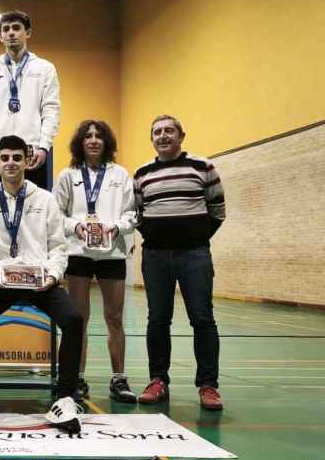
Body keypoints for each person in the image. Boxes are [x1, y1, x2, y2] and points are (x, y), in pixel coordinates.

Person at [0, 135, 83, 433]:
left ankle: (66, 398)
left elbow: (59, 246)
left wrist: (53, 275)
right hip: (1, 280)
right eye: (4, 157)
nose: (10, 163)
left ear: (27, 160)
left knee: (72, 319)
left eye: (17, 157)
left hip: (40, 281)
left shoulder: (45, 200)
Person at [133, 115, 226, 411]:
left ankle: (208, 385)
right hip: (155, 256)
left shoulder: (203, 167)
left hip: (194, 255)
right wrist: (160, 237)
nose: (163, 136)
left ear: (181, 136)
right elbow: (136, 214)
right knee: (158, 319)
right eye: (157, 132)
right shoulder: (142, 173)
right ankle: (158, 380)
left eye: (169, 131)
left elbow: (217, 209)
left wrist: (194, 237)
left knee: (202, 318)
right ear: (152, 139)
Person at [54, 120, 138, 403]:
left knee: (114, 317)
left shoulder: (121, 175)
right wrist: (76, 227)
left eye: (99, 136)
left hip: (112, 253)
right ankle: (77, 378)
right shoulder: (67, 175)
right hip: (78, 253)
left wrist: (117, 228)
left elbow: (131, 214)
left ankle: (119, 379)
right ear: (80, 142)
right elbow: (57, 215)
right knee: (79, 319)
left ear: (107, 142)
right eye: (88, 136)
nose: (93, 140)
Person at [0, 10, 59, 190]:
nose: (11, 33)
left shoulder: (45, 69)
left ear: (28, 33)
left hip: (32, 153)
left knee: (34, 209)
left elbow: (51, 110)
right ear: (0, 36)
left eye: (16, 28)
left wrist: (44, 147)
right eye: (6, 29)